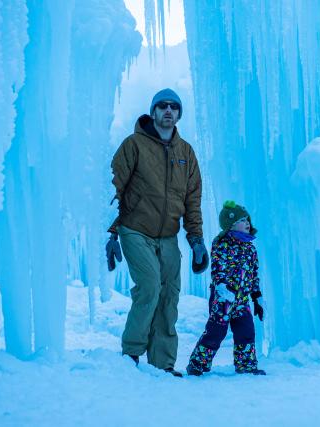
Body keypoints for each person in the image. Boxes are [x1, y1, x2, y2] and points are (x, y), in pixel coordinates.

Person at [105, 88, 209, 377]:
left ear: (178, 114)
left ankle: (163, 363)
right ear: (153, 111)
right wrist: (112, 233)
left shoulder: (185, 153)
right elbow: (114, 188)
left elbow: (192, 200)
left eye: (173, 107)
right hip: (134, 230)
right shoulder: (134, 145)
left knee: (169, 296)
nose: (167, 111)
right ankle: (132, 354)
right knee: (149, 286)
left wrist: (196, 239)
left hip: (168, 237)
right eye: (162, 106)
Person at [186, 200, 266, 376]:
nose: (247, 223)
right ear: (231, 224)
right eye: (242, 220)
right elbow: (218, 268)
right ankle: (197, 364)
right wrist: (222, 287)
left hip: (242, 300)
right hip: (223, 299)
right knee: (216, 331)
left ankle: (246, 365)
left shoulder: (250, 248)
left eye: (248, 220)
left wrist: (257, 296)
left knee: (246, 331)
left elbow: (253, 274)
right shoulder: (221, 244)